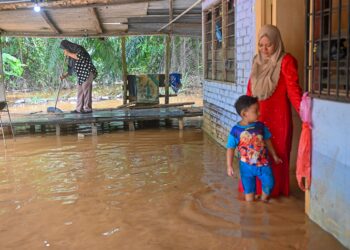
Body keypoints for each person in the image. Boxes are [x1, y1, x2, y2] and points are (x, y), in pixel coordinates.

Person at [244, 24, 302, 197]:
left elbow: (294, 91)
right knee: (254, 155)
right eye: (261, 46)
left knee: (276, 157)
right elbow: (249, 91)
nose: (264, 49)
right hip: (257, 119)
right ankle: (254, 194)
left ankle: (274, 194)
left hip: (279, 121)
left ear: (276, 43)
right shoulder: (256, 61)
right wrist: (245, 119)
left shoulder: (286, 61)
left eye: (268, 45)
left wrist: (305, 115)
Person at [227, 95, 282, 202]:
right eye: (256, 111)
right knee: (249, 197)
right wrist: (229, 166)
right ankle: (251, 212)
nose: (259, 113)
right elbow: (230, 148)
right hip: (246, 168)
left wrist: (274, 156)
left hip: (263, 164)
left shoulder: (260, 126)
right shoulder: (235, 130)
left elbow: (268, 140)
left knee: (270, 183)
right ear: (244, 114)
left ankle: (263, 200)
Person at [59, 40, 97, 113]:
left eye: (64, 48)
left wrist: (68, 53)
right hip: (81, 75)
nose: (64, 50)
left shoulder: (78, 49)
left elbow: (79, 56)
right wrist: (64, 76)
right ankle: (79, 109)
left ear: (68, 46)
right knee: (80, 91)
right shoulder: (71, 56)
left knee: (86, 90)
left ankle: (88, 109)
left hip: (88, 72)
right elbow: (71, 69)